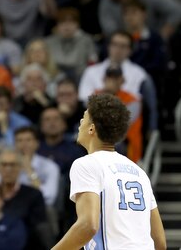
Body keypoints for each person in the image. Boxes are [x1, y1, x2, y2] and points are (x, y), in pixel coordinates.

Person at [51, 94, 166, 250]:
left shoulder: (86, 164)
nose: (80, 122)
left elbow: (88, 225)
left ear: (91, 128)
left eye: (84, 118)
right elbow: (159, 240)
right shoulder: (139, 172)